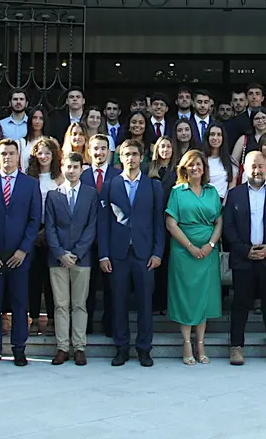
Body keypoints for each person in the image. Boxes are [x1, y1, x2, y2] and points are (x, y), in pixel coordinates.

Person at [0, 138, 42, 367]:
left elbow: (35, 220)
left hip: (19, 256)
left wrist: (23, 250)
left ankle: (19, 348)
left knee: (20, 303)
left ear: (18, 155)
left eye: (11, 154)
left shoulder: (30, 185)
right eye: (3, 154)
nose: (7, 158)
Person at [99, 140, 165, 367]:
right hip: (118, 254)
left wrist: (157, 253)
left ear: (142, 157)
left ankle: (145, 349)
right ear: (120, 157)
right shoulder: (110, 185)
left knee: (145, 303)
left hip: (144, 254)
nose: (131, 158)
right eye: (126, 154)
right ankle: (122, 348)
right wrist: (103, 254)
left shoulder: (153, 186)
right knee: (118, 302)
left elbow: (158, 223)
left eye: (135, 154)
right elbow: (104, 222)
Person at [224, 151, 266, 366]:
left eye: (261, 166)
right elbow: (229, 226)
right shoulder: (234, 194)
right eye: (253, 166)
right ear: (245, 168)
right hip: (244, 258)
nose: (257, 170)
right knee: (240, 304)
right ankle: (236, 347)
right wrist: (245, 250)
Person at [164, 150, 224, 365]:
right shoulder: (177, 192)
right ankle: (186, 343)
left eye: (199, 164)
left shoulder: (212, 191)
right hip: (183, 251)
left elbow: (219, 221)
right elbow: (171, 223)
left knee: (204, 297)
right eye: (191, 165)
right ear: (184, 168)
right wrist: (190, 246)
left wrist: (210, 245)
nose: (195, 168)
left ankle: (201, 342)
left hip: (208, 252)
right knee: (186, 297)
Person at [45, 151, 98, 366]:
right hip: (57, 258)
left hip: (81, 258)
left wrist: (77, 253)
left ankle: (79, 347)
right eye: (68, 167)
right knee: (60, 305)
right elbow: (49, 227)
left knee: (79, 304)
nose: (72, 171)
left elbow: (91, 226)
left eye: (76, 167)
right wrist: (60, 253)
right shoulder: (53, 195)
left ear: (81, 170)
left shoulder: (90, 194)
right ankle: (62, 347)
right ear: (62, 168)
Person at [82, 134, 120, 336]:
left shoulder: (118, 175)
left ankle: (110, 327)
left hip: (112, 240)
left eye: (103, 148)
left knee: (111, 287)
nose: (99, 152)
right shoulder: (82, 175)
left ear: (109, 151)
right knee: (86, 287)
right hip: (86, 241)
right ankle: (85, 328)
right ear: (89, 151)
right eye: (95, 148)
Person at [26, 137, 61, 337]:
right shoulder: (30, 177)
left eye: (48, 153)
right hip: (32, 230)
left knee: (50, 279)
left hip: (53, 231)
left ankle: (51, 318)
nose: (44, 157)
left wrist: (47, 230)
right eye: (40, 153)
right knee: (33, 278)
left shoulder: (59, 178)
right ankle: (32, 318)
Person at [149, 135, 179, 314]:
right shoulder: (147, 169)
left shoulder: (177, 171)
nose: (165, 150)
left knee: (168, 264)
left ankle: (166, 303)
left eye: (168, 146)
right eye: (162, 147)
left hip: (171, 222)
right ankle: (154, 303)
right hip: (150, 222)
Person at [204, 123, 237, 201]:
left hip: (222, 202)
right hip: (203, 202)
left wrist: (224, 206)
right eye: (212, 134)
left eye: (219, 135)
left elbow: (231, 189)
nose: (215, 138)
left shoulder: (230, 161)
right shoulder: (201, 159)